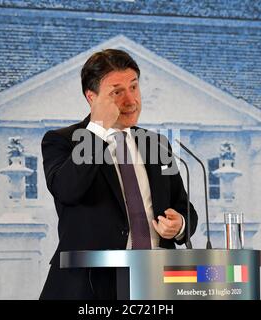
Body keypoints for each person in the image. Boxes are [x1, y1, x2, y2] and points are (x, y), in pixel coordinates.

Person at [39, 49, 198, 300]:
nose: (130, 100)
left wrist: (179, 225)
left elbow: (183, 208)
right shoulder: (62, 141)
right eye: (117, 92)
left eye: (134, 87)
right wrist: (98, 130)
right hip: (90, 286)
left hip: (156, 283)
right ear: (92, 98)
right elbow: (68, 190)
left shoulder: (157, 145)